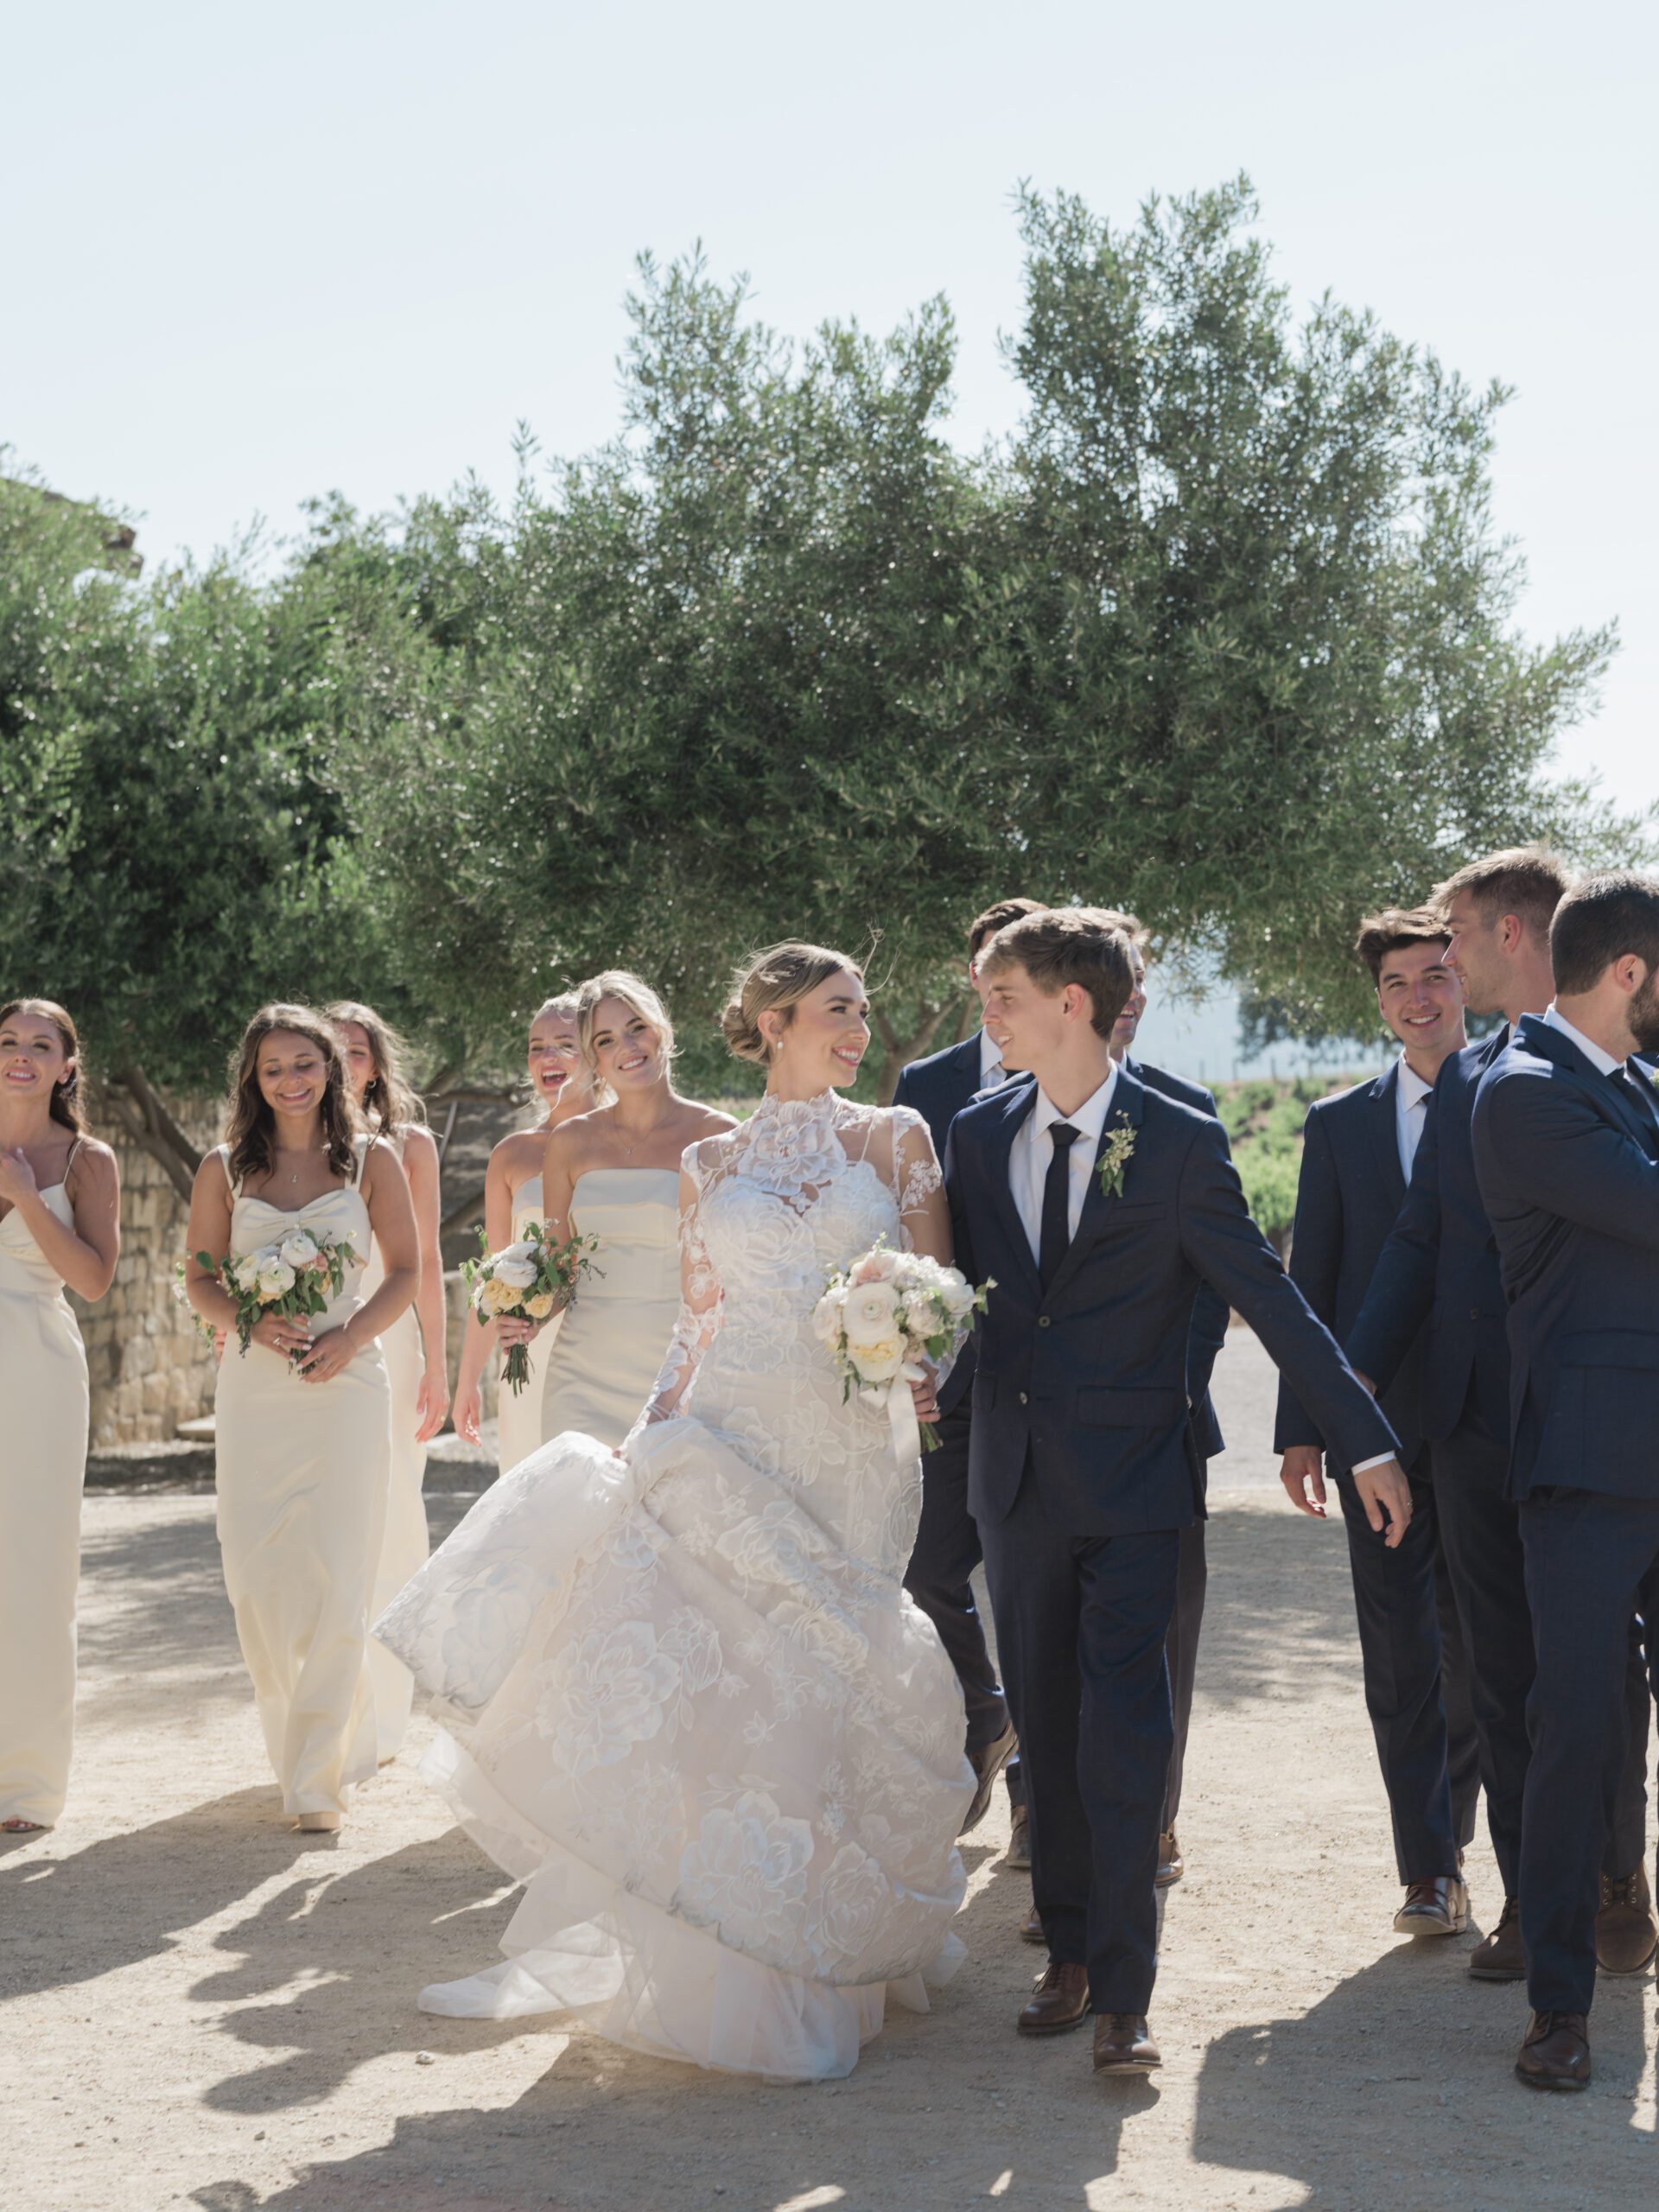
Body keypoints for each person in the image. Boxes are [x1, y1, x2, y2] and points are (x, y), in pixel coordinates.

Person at [377, 944, 974, 2082]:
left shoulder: (896, 1139)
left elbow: (941, 1292)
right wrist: (648, 1433)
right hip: (731, 1427)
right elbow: (695, 1324)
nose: (859, 1029)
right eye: (839, 1010)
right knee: (740, 1679)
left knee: (831, 1667)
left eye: (862, 1011)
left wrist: (923, 1358)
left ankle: (828, 1943)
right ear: (775, 1022)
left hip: (850, 1442)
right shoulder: (713, 1159)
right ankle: (739, 1957)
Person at [946, 908, 1408, 2078]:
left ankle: (1124, 1994)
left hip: (1138, 1482)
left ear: (1071, 1004)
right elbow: (963, 1301)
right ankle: (1065, 1950)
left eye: (1003, 996)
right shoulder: (975, 1131)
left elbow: (1271, 1298)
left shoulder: (1183, 1139)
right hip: (1016, 1484)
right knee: (1048, 1724)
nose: (987, 1016)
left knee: (1127, 1729)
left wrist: (1364, 1442)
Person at [1347, 849, 1655, 1980]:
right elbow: (1418, 1240)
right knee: (1507, 1666)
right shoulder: (1476, 1078)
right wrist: (1343, 1394)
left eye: (1460, 936)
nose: (1448, 959)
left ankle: (1614, 1873)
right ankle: (1534, 1897)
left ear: (1516, 933)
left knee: (1603, 1674)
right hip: (1481, 1422)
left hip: (1604, 1420)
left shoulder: (1634, 1069)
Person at [1470, 872, 1659, 2089]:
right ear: (1630, 973)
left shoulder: (1638, 1085)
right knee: (1575, 1733)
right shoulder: (1524, 1091)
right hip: (1588, 1469)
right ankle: (1558, 2005)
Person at [1275, 911, 1480, 1937]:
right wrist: (1304, 1426)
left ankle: (1485, 1838)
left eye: (1435, 974)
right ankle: (1429, 1867)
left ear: (1466, 979)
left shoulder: (1513, 1098)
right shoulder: (1338, 1123)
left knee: (1481, 1650)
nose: (1417, 997)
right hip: (1376, 1435)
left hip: (1492, 1422)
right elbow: (1309, 1279)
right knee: (1400, 1647)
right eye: (1397, 982)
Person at [184, 1006, 418, 1833]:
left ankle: (318, 1778)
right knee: (257, 1580)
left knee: (339, 1570)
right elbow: (200, 1280)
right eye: (273, 1067)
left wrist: (350, 1336)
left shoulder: (372, 1160)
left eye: (305, 1063)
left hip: (348, 1389)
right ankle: (302, 1740)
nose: (290, 1080)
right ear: (252, 1078)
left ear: (333, 1069)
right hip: (255, 1390)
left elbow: (406, 1270)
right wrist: (248, 1322)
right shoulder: (223, 1168)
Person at [893, 897, 1044, 1841]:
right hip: (951, 1379)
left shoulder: (1091, 1072)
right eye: (991, 972)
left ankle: (1038, 1803)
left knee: (1034, 1587)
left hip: (1050, 1377)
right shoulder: (926, 1082)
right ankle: (987, 1712)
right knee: (925, 1567)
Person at [1106, 910, 1231, 1894]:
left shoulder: (1186, 1110)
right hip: (1041, 1427)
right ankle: (1059, 1829)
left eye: (1140, 980)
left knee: (1167, 1635)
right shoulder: (991, 1119)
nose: (1132, 998)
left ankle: (1153, 1822)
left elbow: (1214, 1279)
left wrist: (1173, 1389)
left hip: (1167, 1422)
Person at [502, 971, 733, 1450]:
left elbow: (736, 1272)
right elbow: (561, 1269)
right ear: (594, 1060)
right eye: (605, 1040)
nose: (626, 1047)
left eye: (636, 1028)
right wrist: (529, 1315)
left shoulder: (718, 1135)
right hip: (580, 1378)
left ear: (661, 1031)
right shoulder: (569, 1142)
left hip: (681, 1371)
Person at [0, 999, 120, 1834]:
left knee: (36, 1573)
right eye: (8, 1041)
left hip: (37, 1372)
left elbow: (94, 1281)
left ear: (66, 1067)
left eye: (40, 1045)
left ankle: (26, 1783)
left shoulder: (88, 1160)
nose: (20, 1055)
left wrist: (25, 1198)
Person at [328, 1001, 449, 1764]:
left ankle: (385, 1705)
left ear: (376, 1067)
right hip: (316, 1337)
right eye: (330, 1050)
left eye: (357, 1052)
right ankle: (333, 1707)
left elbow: (427, 1259)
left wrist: (437, 1362)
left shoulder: (410, 1145)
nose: (344, 1065)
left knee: (394, 1504)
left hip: (393, 1339)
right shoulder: (284, 1145)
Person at [452, 995, 599, 1475]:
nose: (547, 1057)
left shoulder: (627, 1147)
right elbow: (490, 1276)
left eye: (564, 1044)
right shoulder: (511, 1155)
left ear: (596, 1053)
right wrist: (468, 1379)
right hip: (528, 1349)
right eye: (537, 1047)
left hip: (609, 1343)